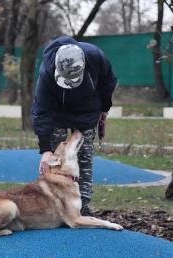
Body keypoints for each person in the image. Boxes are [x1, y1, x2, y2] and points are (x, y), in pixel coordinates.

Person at [31, 35, 117, 215]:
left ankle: (82, 207)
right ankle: (52, 204)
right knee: (55, 161)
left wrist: (104, 108)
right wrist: (45, 149)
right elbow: (41, 111)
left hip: (87, 111)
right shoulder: (46, 73)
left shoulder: (95, 57)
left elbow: (108, 83)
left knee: (84, 158)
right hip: (58, 114)